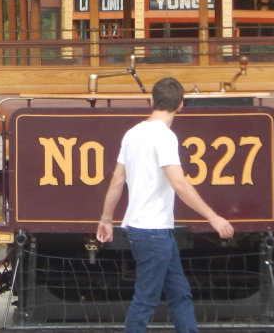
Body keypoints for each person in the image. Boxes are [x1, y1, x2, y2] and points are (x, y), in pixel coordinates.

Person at [96, 76, 235, 333]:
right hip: (154, 232)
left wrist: (106, 219)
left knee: (179, 292)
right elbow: (180, 184)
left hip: (148, 231)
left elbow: (117, 179)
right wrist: (213, 217)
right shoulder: (165, 137)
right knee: (145, 300)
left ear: (152, 100)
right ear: (180, 105)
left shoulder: (132, 134)